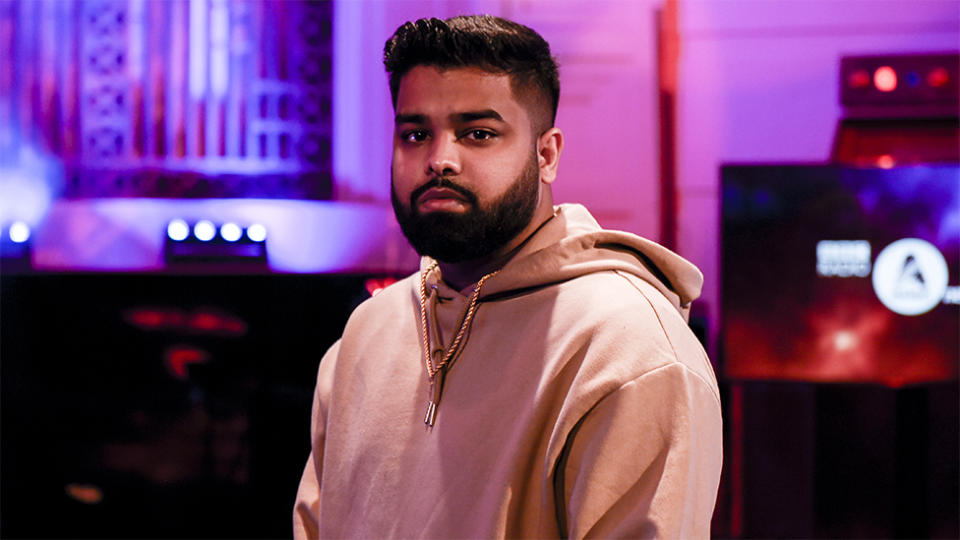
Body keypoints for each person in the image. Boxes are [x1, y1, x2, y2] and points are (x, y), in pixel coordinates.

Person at [294, 14, 722, 539]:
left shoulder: (631, 349)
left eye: (478, 133)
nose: (439, 160)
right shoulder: (368, 331)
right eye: (415, 133)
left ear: (547, 155)